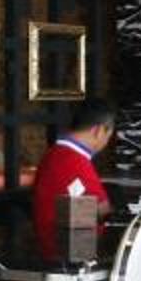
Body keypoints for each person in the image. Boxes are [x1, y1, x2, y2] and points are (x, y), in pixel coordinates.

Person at [28, 103, 114, 258]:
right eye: (108, 137)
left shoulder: (54, 154)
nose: (106, 143)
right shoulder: (74, 162)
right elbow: (103, 210)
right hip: (69, 256)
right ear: (98, 131)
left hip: (56, 248)